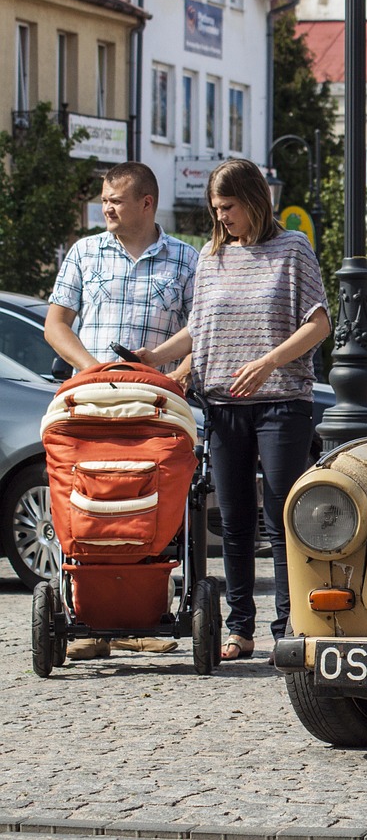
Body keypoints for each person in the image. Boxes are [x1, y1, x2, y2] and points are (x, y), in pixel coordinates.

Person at [141, 158, 330, 664]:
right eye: (215, 209)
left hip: (282, 403)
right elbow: (198, 330)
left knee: (281, 517)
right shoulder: (212, 256)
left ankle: (290, 626)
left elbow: (319, 324)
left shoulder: (292, 249)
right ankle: (241, 630)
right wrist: (159, 360)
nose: (220, 217)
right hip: (222, 405)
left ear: (252, 200)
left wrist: (269, 362)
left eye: (227, 207)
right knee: (235, 522)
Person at [45, 161, 199, 660]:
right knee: (88, 497)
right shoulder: (84, 253)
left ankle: (144, 616)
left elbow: (205, 331)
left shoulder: (185, 260)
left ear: (147, 203)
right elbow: (56, 325)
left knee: (149, 498)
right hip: (92, 404)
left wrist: (179, 375)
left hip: (154, 408)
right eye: (104, 199)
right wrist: (94, 370)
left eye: (115, 199)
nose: (106, 207)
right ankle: (87, 618)